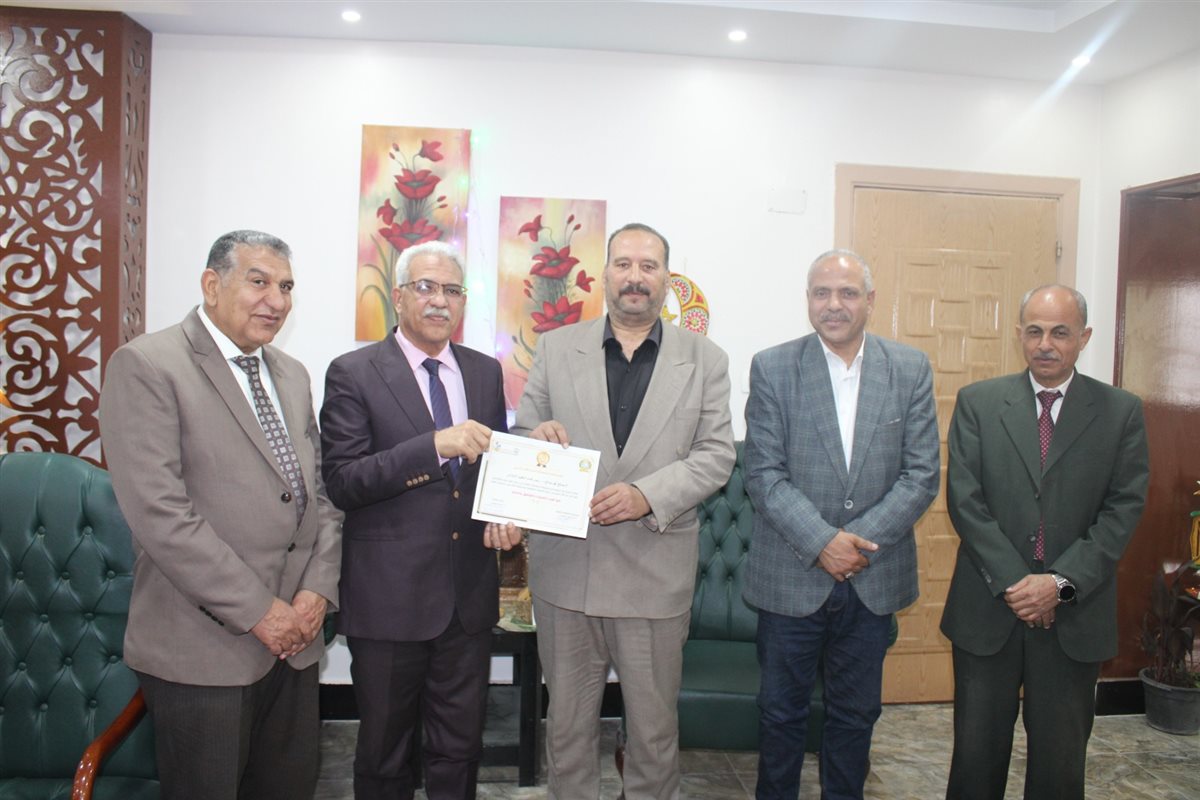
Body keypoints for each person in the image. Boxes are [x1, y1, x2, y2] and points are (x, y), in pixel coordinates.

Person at [98, 230, 343, 800]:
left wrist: (316, 591)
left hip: (296, 642)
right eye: (259, 282)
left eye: (286, 287)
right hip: (201, 649)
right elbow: (161, 515)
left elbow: (321, 495)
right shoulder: (148, 365)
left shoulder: (292, 374)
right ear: (212, 285)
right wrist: (261, 611)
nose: (276, 301)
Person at [508, 222, 735, 799]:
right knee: (567, 730)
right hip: (568, 571)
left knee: (654, 735)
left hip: (654, 575)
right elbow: (525, 432)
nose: (636, 277)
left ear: (667, 278)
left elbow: (716, 456)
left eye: (649, 266)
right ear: (605, 274)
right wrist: (537, 437)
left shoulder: (705, 359)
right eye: (624, 264)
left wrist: (645, 495)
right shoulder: (557, 347)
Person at [743, 249, 940, 800]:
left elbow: (922, 474)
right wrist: (823, 542)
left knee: (856, 716)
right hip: (791, 577)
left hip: (872, 578)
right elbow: (763, 473)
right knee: (780, 715)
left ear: (870, 301)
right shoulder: (773, 366)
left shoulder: (909, 368)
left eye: (848, 293)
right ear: (808, 299)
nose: (834, 304)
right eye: (822, 293)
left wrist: (857, 546)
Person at [941, 285, 1149, 800]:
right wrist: (1019, 584)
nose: (1045, 344)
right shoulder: (979, 403)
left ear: (1084, 337)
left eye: (1060, 332)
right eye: (1034, 331)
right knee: (974, 760)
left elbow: (1122, 510)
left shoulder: (1120, 411)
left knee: (1060, 766)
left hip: (1073, 617)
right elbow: (965, 501)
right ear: (1019, 334)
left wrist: (1059, 584)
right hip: (989, 609)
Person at [319, 241, 508, 800]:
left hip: (467, 599)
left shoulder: (484, 372)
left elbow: (493, 470)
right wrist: (433, 446)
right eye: (425, 287)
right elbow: (344, 481)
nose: (439, 301)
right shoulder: (354, 372)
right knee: (385, 755)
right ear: (398, 297)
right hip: (388, 601)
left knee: (459, 750)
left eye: (452, 290)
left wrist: (507, 515)